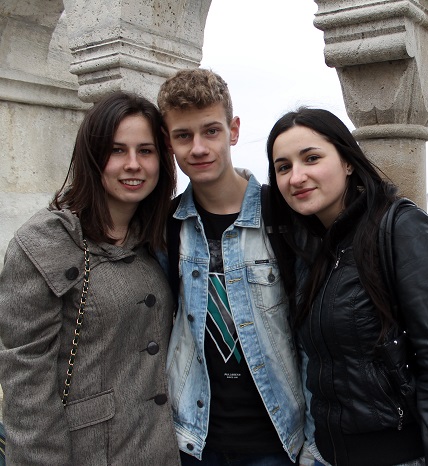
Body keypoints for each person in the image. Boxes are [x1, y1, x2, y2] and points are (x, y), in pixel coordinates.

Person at [265, 108, 428, 466]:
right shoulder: (312, 248)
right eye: (283, 167)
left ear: (348, 161)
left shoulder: (402, 230)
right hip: (323, 455)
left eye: (312, 158)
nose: (296, 177)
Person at [0, 91, 180, 464]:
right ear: (92, 156)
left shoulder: (155, 239)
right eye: (117, 151)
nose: (133, 164)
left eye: (145, 151)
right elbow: (27, 387)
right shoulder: (45, 243)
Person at [157, 69, 305, 465]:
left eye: (211, 131)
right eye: (183, 136)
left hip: (276, 438)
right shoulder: (167, 226)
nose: (198, 148)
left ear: (233, 131)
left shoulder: (281, 214)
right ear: (169, 143)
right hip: (194, 438)